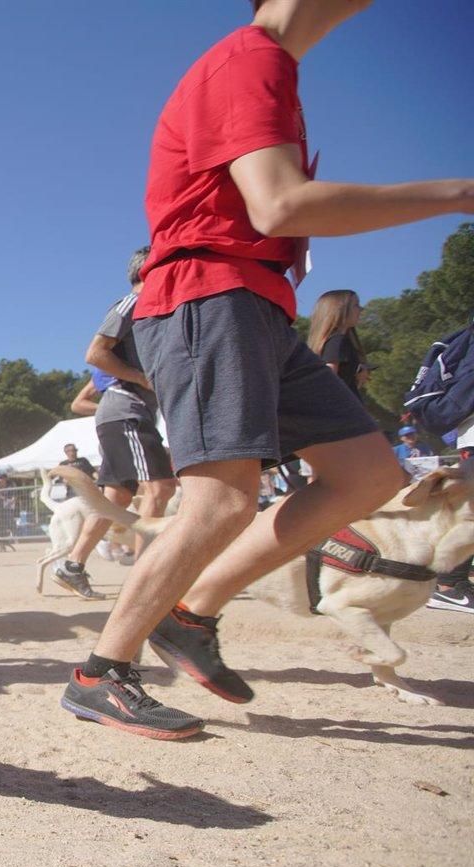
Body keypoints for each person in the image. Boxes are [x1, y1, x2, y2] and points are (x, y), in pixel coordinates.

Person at [62, 0, 472, 740]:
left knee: (370, 475)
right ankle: (102, 672)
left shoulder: (271, 66)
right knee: (218, 501)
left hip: (258, 305)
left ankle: (192, 614)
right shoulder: (249, 58)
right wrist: (461, 193)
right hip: (207, 294)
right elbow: (281, 204)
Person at [51, 246, 179, 600]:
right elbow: (94, 353)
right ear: (150, 270)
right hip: (126, 411)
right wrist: (140, 379)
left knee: (118, 496)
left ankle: (72, 565)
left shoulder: (155, 314)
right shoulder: (131, 303)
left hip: (125, 412)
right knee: (160, 488)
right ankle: (144, 579)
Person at [307, 289, 368, 397]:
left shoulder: (337, 341)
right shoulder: (337, 341)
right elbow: (328, 378)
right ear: (340, 310)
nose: (361, 309)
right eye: (356, 305)